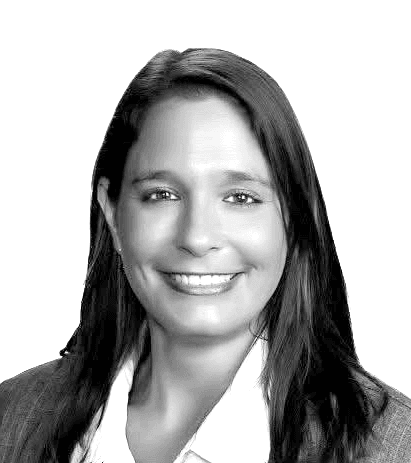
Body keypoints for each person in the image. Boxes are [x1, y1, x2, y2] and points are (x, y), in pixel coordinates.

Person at [0, 47, 410, 463]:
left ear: (293, 218)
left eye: (240, 197)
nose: (197, 238)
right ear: (112, 214)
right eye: (162, 195)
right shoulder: (10, 418)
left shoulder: (397, 447)